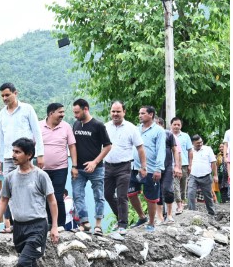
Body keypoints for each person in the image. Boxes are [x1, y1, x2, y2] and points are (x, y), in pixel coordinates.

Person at [0, 137, 58, 267]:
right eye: (13, 151)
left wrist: (55, 227)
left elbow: (52, 201)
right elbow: (3, 200)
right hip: (19, 227)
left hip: (37, 225)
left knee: (24, 262)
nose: (13, 155)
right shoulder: (10, 177)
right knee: (31, 264)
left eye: (18, 152)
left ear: (29, 155)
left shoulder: (40, 175)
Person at [0, 83, 44, 233]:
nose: (4, 98)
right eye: (2, 95)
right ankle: (16, 223)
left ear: (16, 93)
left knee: (30, 187)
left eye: (7, 95)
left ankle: (34, 221)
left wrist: (40, 154)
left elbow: (37, 132)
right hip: (8, 158)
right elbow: (0, 138)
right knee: (9, 191)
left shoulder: (27, 109)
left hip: (25, 156)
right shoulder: (2, 114)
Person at [103, 100, 146, 235]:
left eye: (118, 111)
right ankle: (119, 217)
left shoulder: (131, 128)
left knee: (122, 196)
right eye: (113, 111)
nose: (115, 114)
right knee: (108, 194)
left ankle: (123, 224)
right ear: (110, 112)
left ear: (124, 112)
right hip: (108, 166)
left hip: (124, 166)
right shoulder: (105, 127)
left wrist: (143, 166)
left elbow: (140, 148)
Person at [71, 99, 112, 235]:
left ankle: (98, 225)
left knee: (99, 196)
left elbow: (108, 146)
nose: (75, 115)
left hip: (97, 168)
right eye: (74, 113)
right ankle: (85, 222)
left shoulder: (98, 125)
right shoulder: (76, 125)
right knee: (77, 195)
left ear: (85, 109)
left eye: (77, 112)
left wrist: (94, 162)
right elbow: (73, 147)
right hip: (79, 169)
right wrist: (74, 166)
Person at [127, 106, 166, 232]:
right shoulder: (136, 129)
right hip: (134, 167)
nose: (140, 115)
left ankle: (151, 222)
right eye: (139, 113)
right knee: (131, 193)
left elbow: (161, 150)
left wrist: (158, 169)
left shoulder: (159, 131)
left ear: (151, 115)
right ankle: (142, 217)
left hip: (151, 169)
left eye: (142, 113)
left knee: (151, 196)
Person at [40, 102, 77, 227]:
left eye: (63, 112)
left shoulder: (66, 126)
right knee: (45, 197)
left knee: (57, 196)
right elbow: (31, 145)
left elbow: (72, 146)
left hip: (60, 168)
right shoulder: (39, 126)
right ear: (51, 113)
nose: (63, 115)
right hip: (42, 169)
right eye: (60, 112)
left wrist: (74, 166)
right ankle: (49, 223)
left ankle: (60, 225)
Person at [153, 117, 182, 224]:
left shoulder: (168, 135)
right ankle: (159, 216)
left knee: (167, 190)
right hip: (154, 167)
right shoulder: (150, 134)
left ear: (160, 124)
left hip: (168, 166)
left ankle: (169, 215)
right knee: (157, 192)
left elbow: (175, 150)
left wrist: (177, 166)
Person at [187, 134, 218, 215]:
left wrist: (215, 175)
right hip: (193, 176)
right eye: (198, 143)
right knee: (190, 194)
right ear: (193, 143)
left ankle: (212, 213)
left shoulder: (208, 149)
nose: (200, 144)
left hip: (206, 176)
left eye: (201, 142)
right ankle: (192, 213)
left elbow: (213, 162)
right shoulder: (190, 151)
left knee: (208, 196)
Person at [170, 117, 193, 214]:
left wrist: (190, 165)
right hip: (172, 164)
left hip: (184, 165)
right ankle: (179, 204)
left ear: (181, 126)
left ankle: (182, 202)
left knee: (183, 185)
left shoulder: (185, 136)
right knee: (175, 185)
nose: (176, 126)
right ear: (171, 125)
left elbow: (190, 151)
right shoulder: (167, 135)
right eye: (174, 124)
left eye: (178, 125)